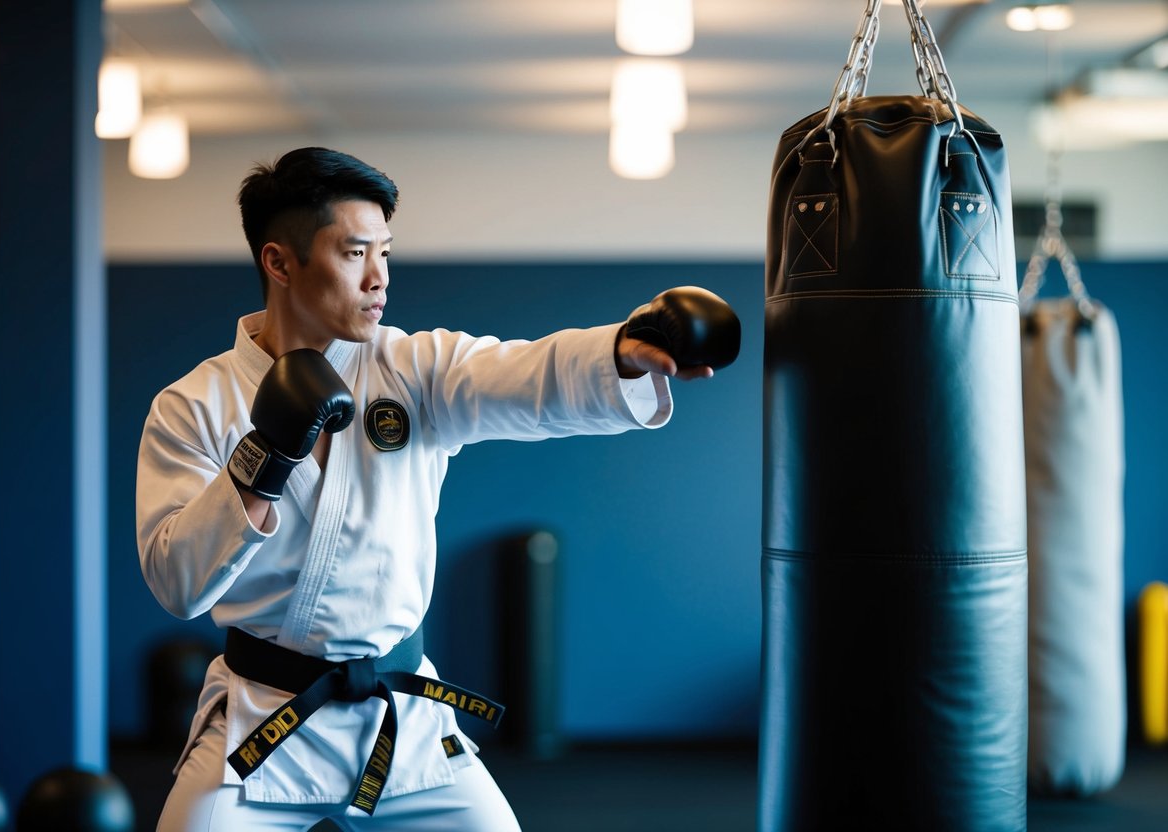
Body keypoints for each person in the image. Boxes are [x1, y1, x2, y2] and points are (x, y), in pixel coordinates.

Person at [135, 146, 739, 831]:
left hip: (400, 718)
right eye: (354, 253)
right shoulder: (195, 404)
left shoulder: (413, 368)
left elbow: (526, 375)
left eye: (385, 254)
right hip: (261, 717)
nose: (377, 279)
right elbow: (177, 583)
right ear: (279, 262)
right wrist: (263, 457)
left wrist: (622, 350)